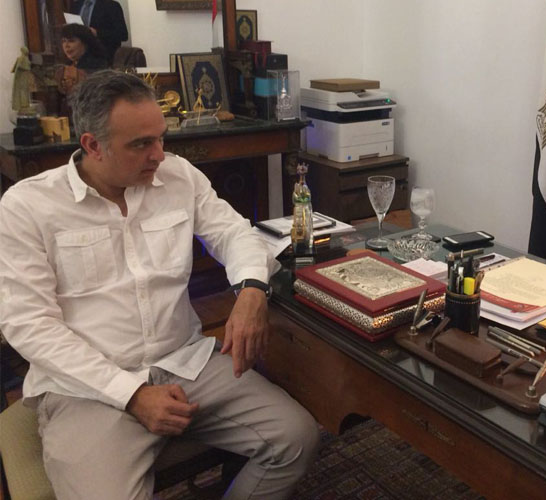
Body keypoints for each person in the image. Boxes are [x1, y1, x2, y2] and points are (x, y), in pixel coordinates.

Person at [0, 70, 319, 499]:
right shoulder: (28, 206)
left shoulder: (178, 175)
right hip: (86, 387)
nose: (159, 155)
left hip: (185, 362)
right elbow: (29, 325)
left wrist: (250, 290)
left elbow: (234, 233)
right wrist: (132, 394)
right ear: (92, 145)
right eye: (141, 144)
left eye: (161, 139)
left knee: (295, 438)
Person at [71, 0, 128, 64]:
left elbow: (123, 34)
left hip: (103, 57)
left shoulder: (112, 5)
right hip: (78, 57)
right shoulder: (76, 5)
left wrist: (97, 33)